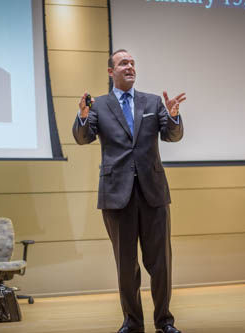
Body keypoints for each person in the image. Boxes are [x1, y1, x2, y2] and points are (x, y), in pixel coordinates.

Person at [73, 49, 186, 333]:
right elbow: (83, 138)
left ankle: (164, 322)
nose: (130, 67)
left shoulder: (152, 102)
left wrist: (172, 116)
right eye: (123, 63)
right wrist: (83, 115)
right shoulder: (99, 105)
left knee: (160, 263)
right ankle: (133, 323)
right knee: (126, 265)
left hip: (153, 193)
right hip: (116, 196)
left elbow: (172, 135)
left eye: (133, 63)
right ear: (111, 71)